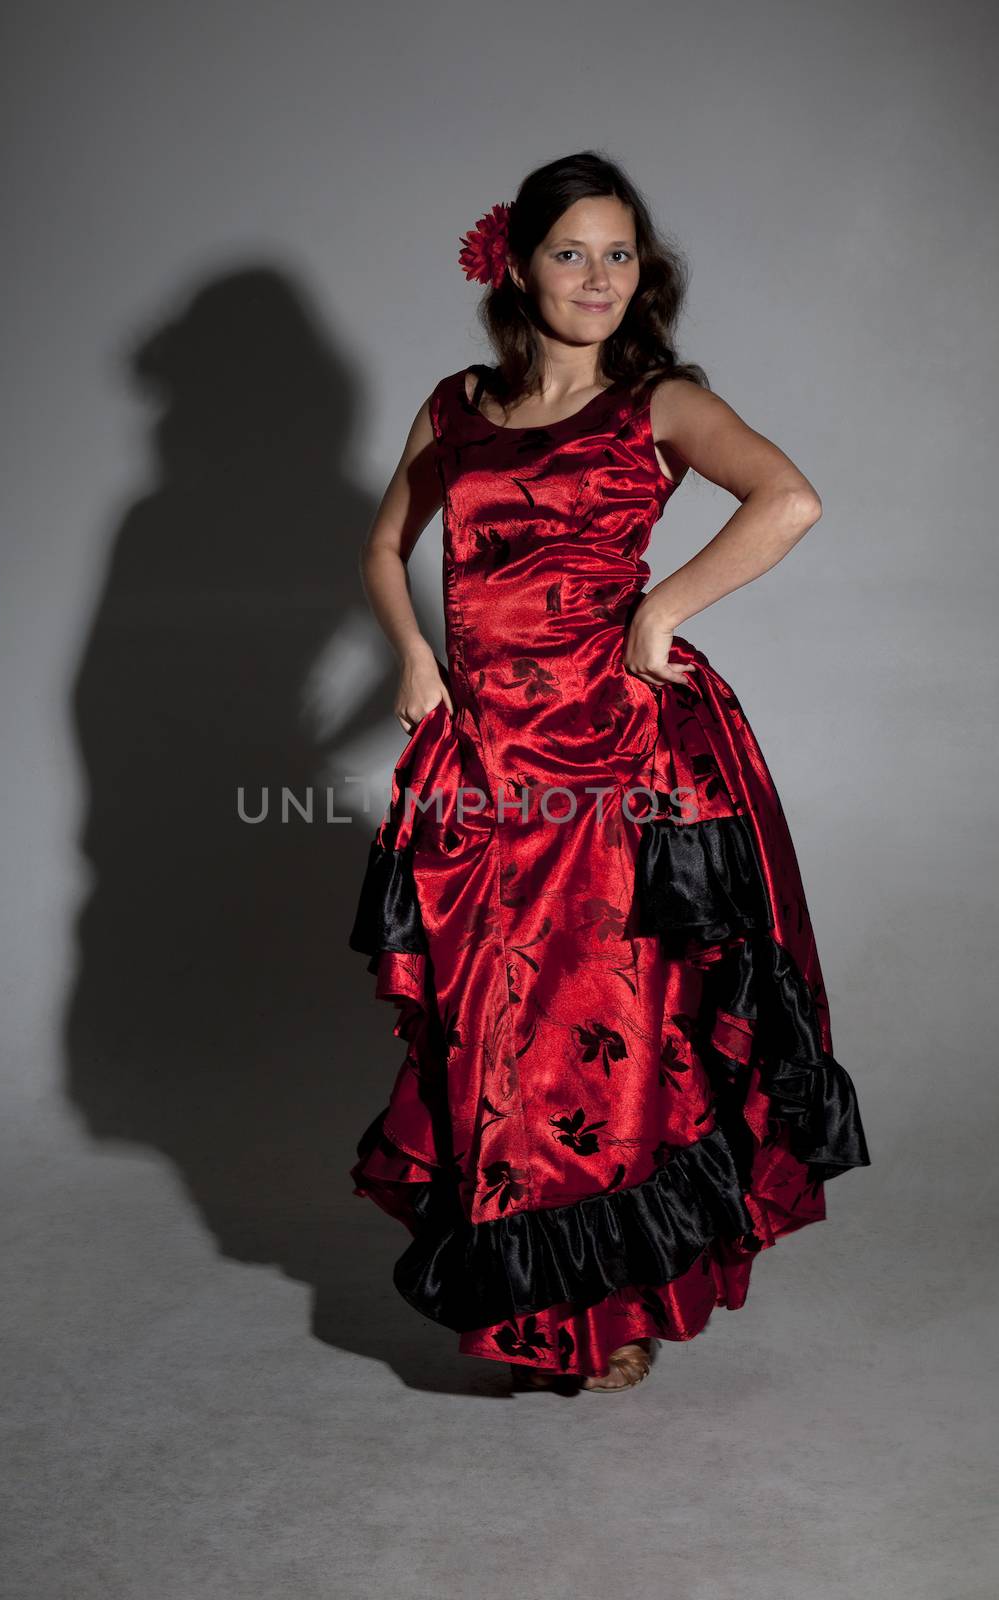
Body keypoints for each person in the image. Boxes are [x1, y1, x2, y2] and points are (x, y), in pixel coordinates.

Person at [348, 149, 870, 1394]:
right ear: (516, 264)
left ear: (646, 272)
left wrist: (663, 612)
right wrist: (414, 653)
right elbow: (383, 546)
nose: (598, 276)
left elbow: (787, 500)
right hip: (482, 768)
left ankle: (608, 1312)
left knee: (607, 1036)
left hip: (612, 763)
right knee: (492, 1041)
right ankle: (526, 1309)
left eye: (621, 253)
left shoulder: (660, 402)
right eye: (573, 251)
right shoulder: (456, 407)